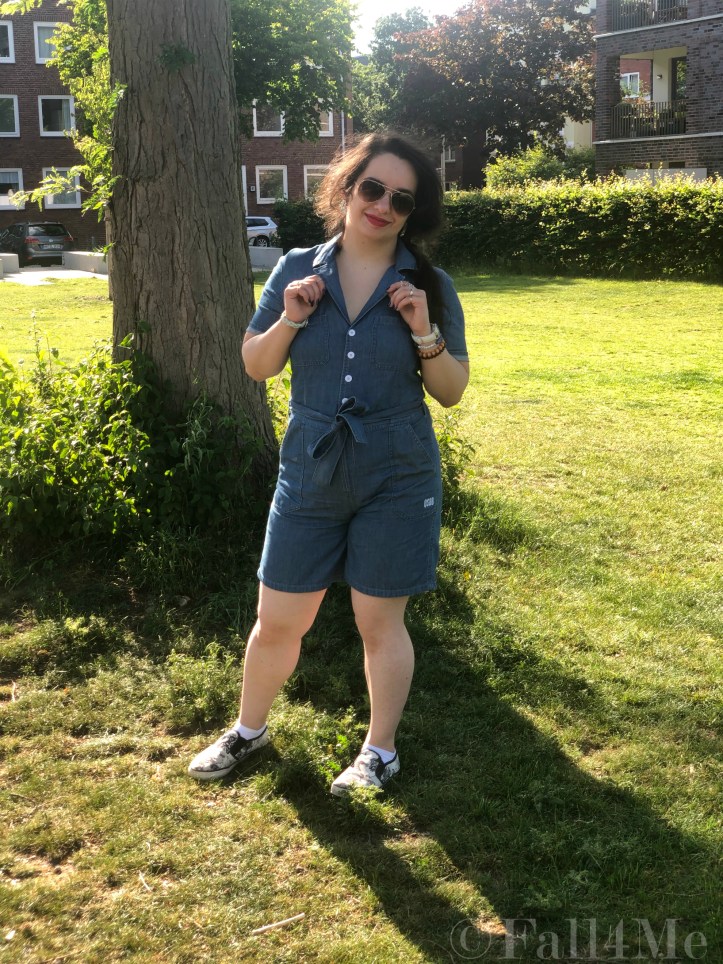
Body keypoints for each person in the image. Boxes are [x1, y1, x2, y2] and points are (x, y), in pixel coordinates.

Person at [188, 132, 469, 795]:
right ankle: (248, 730)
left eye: (401, 200)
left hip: (397, 473)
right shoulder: (295, 268)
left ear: (413, 213)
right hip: (309, 471)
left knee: (379, 623)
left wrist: (423, 331)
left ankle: (380, 751)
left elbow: (451, 391)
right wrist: (290, 319)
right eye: (372, 188)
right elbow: (256, 364)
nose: (382, 206)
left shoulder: (428, 284)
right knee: (278, 619)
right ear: (346, 188)